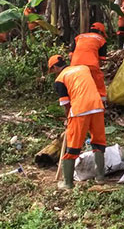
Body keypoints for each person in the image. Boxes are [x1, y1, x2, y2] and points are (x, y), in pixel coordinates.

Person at [48, 55, 106, 189]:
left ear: (55, 67)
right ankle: (100, 178)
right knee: (99, 142)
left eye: (52, 71)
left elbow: (66, 104)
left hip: (80, 109)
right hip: (97, 106)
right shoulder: (83, 68)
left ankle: (68, 183)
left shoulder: (60, 79)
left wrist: (68, 118)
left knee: (73, 145)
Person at [70, 22, 108, 101]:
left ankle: (75, 101)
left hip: (74, 66)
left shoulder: (79, 37)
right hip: (91, 65)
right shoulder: (102, 40)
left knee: (76, 85)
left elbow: (70, 55)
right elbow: (102, 59)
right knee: (98, 83)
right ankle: (101, 103)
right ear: (100, 32)